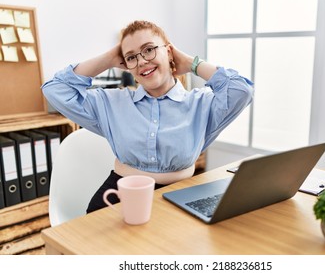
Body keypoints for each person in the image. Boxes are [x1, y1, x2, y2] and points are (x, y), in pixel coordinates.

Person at [41, 20, 254, 213]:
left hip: (179, 196)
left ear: (169, 52)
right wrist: (108, 59)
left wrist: (191, 63)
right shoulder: (111, 103)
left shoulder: (201, 105)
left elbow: (241, 90)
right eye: (131, 57)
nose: (142, 61)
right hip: (117, 196)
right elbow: (55, 89)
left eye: (149, 50)